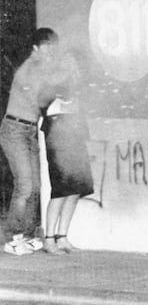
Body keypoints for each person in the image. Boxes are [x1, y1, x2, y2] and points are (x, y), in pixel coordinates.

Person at [0, 27, 63, 255]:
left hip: (28, 131)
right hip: (14, 129)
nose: (50, 52)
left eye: (52, 48)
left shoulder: (43, 68)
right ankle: (11, 237)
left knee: (35, 187)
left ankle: (24, 235)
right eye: (46, 48)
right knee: (25, 186)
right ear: (35, 49)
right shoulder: (31, 68)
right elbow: (42, 98)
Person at [41, 49, 94, 255]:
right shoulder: (51, 83)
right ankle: (49, 239)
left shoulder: (78, 85)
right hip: (58, 138)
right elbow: (46, 108)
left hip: (75, 137)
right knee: (60, 189)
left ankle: (62, 237)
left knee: (75, 188)